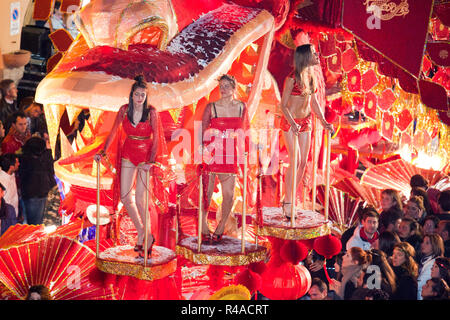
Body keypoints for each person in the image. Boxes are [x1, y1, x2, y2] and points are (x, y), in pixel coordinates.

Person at [95, 75, 167, 258]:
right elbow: (113, 132)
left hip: (145, 156)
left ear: (146, 96)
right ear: (132, 95)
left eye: (143, 94)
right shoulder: (123, 110)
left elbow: (157, 138)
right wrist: (103, 151)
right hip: (128, 153)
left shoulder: (152, 112)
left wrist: (151, 161)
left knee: (142, 199)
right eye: (137, 94)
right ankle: (143, 232)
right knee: (126, 197)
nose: (140, 97)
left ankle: (148, 238)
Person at [279, 44, 332, 217]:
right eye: (313, 53)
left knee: (303, 163)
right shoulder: (291, 78)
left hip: (306, 121)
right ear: (304, 57)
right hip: (290, 122)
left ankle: (292, 198)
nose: (317, 55)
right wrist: (292, 122)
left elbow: (314, 102)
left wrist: (324, 122)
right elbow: (283, 105)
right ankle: (287, 201)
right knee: (296, 159)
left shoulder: (311, 77)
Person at [200, 74, 249, 243]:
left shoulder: (242, 107)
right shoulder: (211, 107)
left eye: (227, 85)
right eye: (221, 86)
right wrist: (203, 149)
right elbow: (202, 130)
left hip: (231, 153)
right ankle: (203, 224)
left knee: (229, 195)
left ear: (234, 88)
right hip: (213, 152)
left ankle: (221, 226)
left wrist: (245, 153)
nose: (223, 89)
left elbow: (245, 131)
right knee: (206, 193)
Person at [18, 137, 56, 225]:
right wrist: (48, 152)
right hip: (37, 196)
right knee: (35, 225)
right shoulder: (36, 162)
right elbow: (50, 168)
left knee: (31, 223)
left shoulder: (23, 160)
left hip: (29, 196)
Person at [417, 234, 445, 299]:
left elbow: (419, 284)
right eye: (423, 242)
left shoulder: (433, 263)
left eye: (427, 243)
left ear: (435, 246)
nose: (422, 245)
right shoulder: (424, 260)